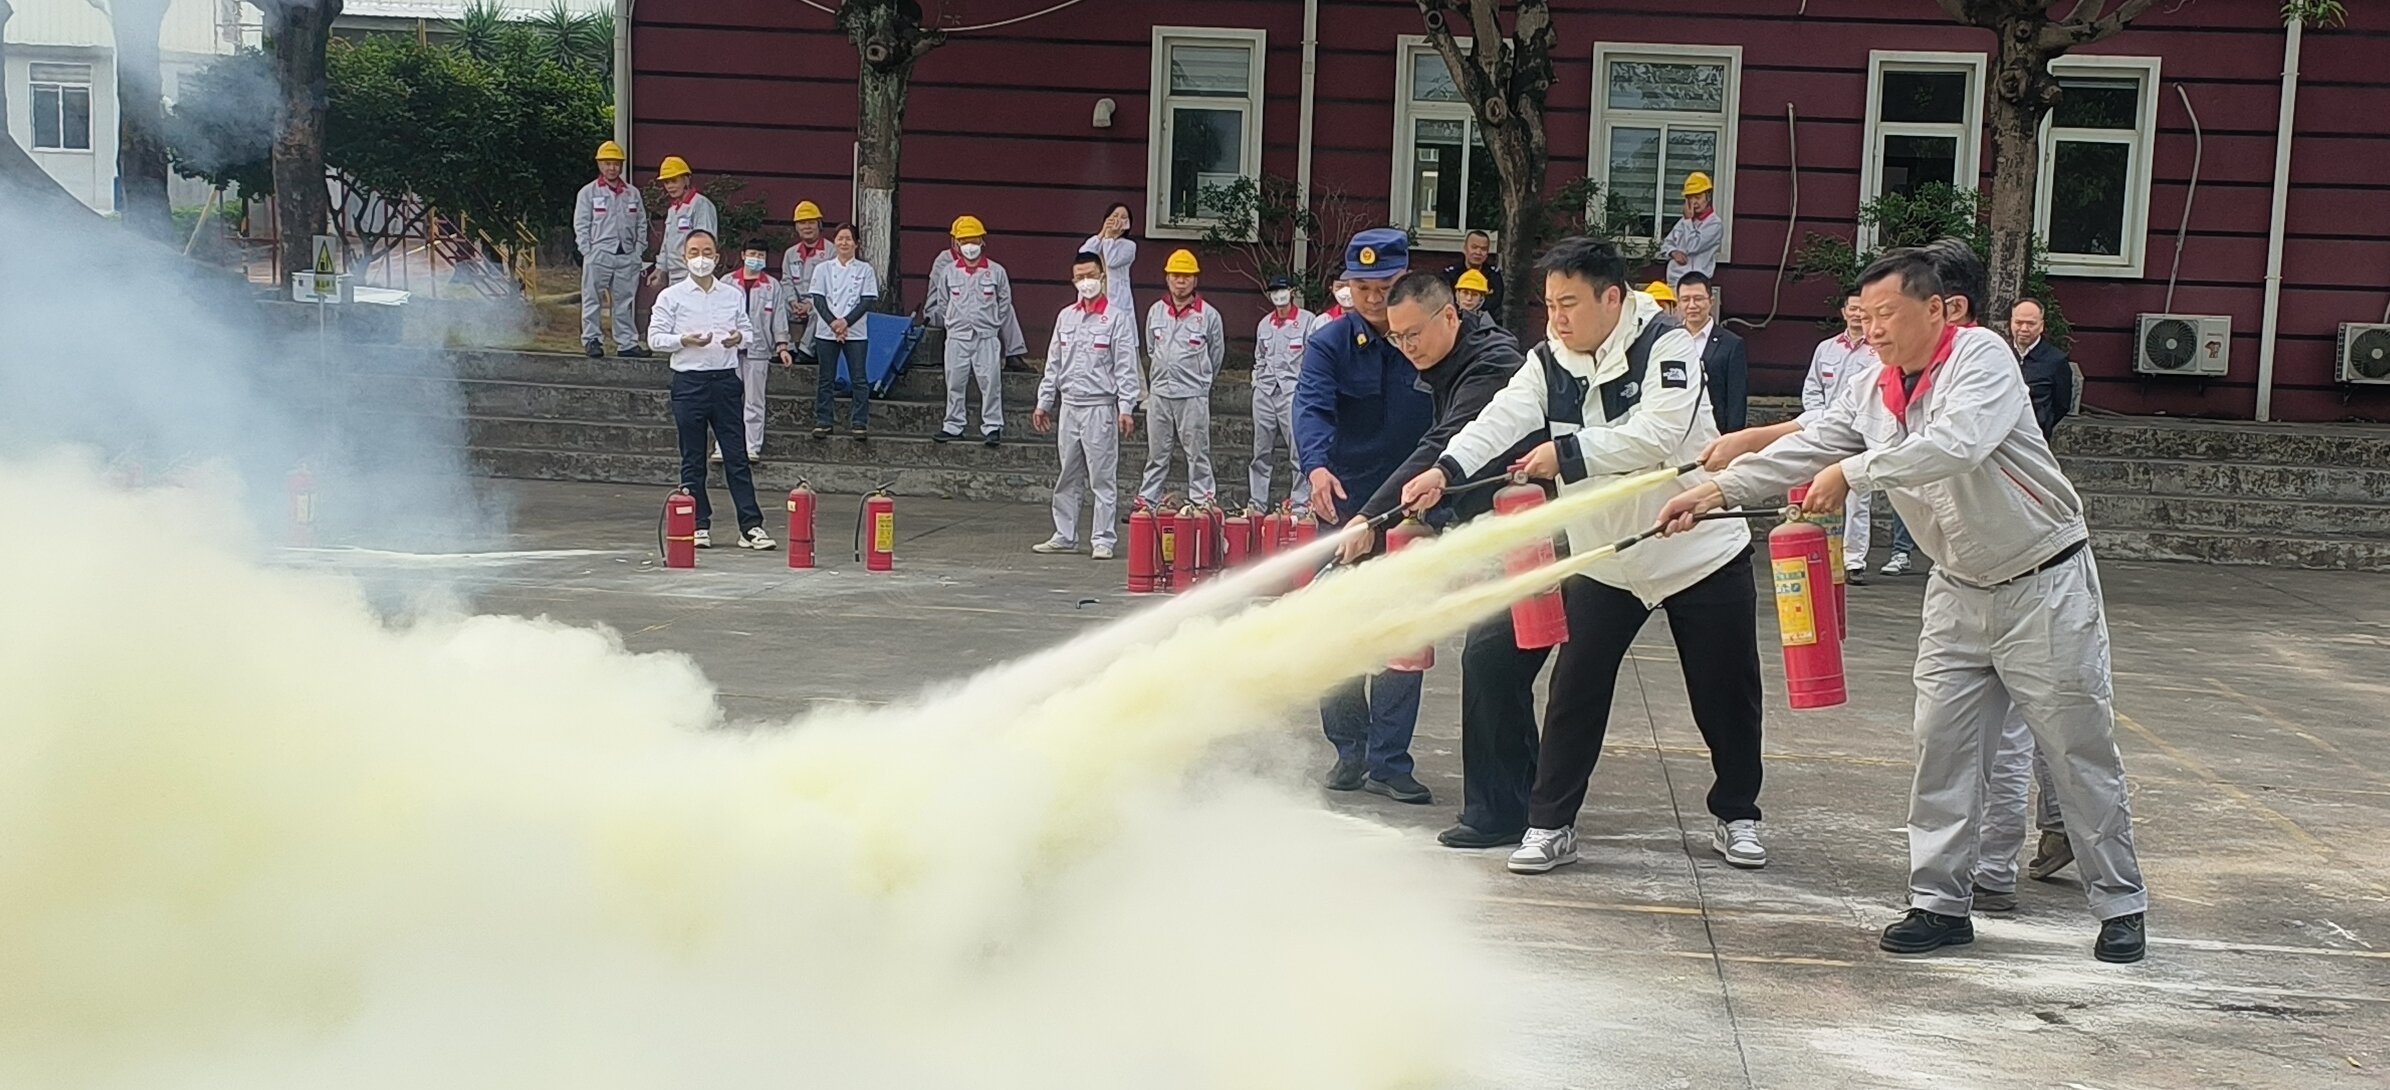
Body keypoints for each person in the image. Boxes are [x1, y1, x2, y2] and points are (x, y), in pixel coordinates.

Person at [1662, 246, 2149, 964]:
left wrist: (1854, 472)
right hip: (1957, 589)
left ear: (1938, 309)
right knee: (1941, 750)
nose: (1874, 330)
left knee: (2077, 749)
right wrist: (1717, 492)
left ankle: (2120, 903)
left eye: (1887, 314)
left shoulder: (1982, 359)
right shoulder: (1871, 384)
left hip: (2042, 582)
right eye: (1864, 318)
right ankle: (1940, 904)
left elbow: (1955, 445)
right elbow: (1813, 443)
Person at [1400, 236, 1768, 875]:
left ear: (1612, 298)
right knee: (1575, 692)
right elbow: (1501, 416)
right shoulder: (1548, 359)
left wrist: (1565, 455)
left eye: (1569, 304)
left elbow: (1659, 434)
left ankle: (1737, 815)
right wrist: (1446, 469)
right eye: (1550, 305)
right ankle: (1550, 824)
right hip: (1607, 554)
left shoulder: (1668, 346)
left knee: (1725, 694)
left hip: (1697, 547)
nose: (1557, 318)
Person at [1349, 273, 1546, 846]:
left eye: (1414, 334)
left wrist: (1371, 517)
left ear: (1450, 316)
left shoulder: (1491, 365)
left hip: (1539, 532)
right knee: (1501, 670)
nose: (1406, 347)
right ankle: (1532, 803)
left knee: (1491, 661)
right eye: (1396, 338)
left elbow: (1447, 444)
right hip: (1500, 530)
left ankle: (1501, 813)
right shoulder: (1451, 363)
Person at [1294, 228, 1435, 803]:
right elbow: (1311, 406)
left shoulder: (1429, 338)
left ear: (1406, 281)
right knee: (1337, 631)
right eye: (1362, 287)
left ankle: (1390, 761)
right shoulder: (1329, 343)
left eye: (1385, 286)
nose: (1374, 299)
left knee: (1404, 631)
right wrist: (1316, 468)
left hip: (1413, 507)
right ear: (1346, 287)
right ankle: (1348, 750)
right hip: (1345, 505)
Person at [645, 230, 775, 551]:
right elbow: (655, 338)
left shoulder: (731, 294)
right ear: (684, 257)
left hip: (725, 381)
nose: (700, 258)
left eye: (706, 252)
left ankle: (751, 526)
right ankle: (698, 523)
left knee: (736, 456)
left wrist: (739, 339)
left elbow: (748, 332)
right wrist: (683, 340)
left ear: (717, 257)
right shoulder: (671, 297)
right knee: (693, 458)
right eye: (694, 252)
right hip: (689, 382)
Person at [1032, 251, 1141, 560]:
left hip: (1100, 406)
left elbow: (1126, 367)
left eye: (1091, 275)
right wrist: (1044, 402)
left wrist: (1126, 408)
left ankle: (1103, 538)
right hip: (1070, 405)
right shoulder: (1066, 317)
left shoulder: (1116, 318)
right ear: (1073, 280)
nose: (1086, 282)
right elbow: (1053, 363)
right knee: (1067, 474)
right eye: (1080, 277)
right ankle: (1064, 535)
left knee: (1102, 477)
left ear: (1102, 276)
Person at [923, 214, 1027, 446]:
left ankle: (992, 426)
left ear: (982, 241)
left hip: (986, 336)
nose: (969, 245)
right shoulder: (949, 271)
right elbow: (943, 301)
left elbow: (1004, 303)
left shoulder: (996, 271)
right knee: (954, 382)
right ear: (956, 243)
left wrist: (992, 323)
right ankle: (953, 425)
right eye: (964, 240)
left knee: (991, 383)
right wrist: (954, 322)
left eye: (974, 239)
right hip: (957, 336)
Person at [1137, 249, 1226, 507]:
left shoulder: (1209, 315)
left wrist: (1201, 381)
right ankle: (1148, 499)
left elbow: (1216, 354)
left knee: (1198, 451)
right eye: (1176, 275)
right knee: (1156, 452)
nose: (1181, 281)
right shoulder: (1156, 311)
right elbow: (1151, 348)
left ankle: (1202, 499)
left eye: (1186, 276)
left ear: (1195, 280)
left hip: (1192, 394)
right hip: (1160, 393)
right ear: (1167, 278)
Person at [1805, 294, 1879, 582]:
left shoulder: (1877, 351)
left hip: (1862, 433)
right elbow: (1812, 387)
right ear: (1844, 312)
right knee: (1822, 496)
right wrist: (1819, 418)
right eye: (1853, 308)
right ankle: (1823, 554)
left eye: (1863, 309)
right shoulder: (1826, 348)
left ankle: (1854, 561)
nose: (1857, 314)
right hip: (1828, 432)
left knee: (1859, 499)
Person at [574, 140, 649, 358]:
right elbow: (581, 224)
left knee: (624, 301)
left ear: (621, 165)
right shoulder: (588, 193)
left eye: (616, 163)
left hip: (626, 254)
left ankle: (626, 343)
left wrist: (638, 251)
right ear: (600, 164)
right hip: (599, 253)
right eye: (607, 163)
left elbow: (641, 223)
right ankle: (592, 340)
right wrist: (587, 251)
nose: (612, 168)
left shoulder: (632, 193)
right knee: (592, 299)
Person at [1248, 275, 1315, 511]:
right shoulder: (1264, 324)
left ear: (1292, 291)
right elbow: (1259, 357)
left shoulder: (1307, 321)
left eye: (1282, 290)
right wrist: (1256, 382)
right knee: (1260, 451)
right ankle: (1257, 503)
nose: (1278, 295)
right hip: (1265, 391)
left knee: (1298, 450)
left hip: (1293, 392)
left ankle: (1300, 502)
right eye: (1274, 291)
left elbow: (1313, 358)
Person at [807, 223, 879, 440]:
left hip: (855, 332)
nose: (844, 243)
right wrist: (833, 323)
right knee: (825, 378)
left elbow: (867, 300)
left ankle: (859, 422)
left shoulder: (865, 270)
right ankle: (824, 421)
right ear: (835, 242)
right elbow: (818, 299)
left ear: (856, 243)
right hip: (826, 330)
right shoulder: (823, 269)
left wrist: (846, 322)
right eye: (840, 238)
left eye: (848, 239)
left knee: (859, 378)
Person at [728, 240, 795, 462]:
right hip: (728, 350)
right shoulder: (727, 282)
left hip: (759, 350)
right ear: (743, 255)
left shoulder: (772, 286)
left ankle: (752, 446)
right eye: (752, 253)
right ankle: (724, 445)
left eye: (760, 255)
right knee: (726, 400)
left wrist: (782, 347)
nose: (756, 258)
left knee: (754, 400)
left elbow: (779, 318)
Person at [1676, 272, 1747, 434]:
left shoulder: (1731, 344)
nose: (1692, 305)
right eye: (1685, 299)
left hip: (1714, 431)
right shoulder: (1668, 339)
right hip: (1676, 431)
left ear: (1711, 301)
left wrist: (1732, 437)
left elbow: (1736, 398)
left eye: (1698, 299)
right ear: (1678, 303)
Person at [2010, 299, 2073, 441]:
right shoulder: (1999, 354)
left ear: (2041, 326)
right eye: (2018, 322)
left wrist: (2043, 423)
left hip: (2034, 438)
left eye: (2031, 323)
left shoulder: (2056, 360)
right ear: (2011, 322)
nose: (2024, 328)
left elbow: (2062, 405)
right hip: (1998, 437)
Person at [650, 156, 717, 288]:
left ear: (686, 179)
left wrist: (700, 272)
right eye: (666, 182)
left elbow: (705, 241)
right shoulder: (673, 209)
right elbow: (666, 242)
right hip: (674, 275)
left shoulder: (701, 204)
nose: (670, 186)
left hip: (693, 273)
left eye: (674, 181)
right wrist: (660, 268)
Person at [781, 201, 832, 363]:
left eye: (811, 222)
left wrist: (810, 304)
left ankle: (806, 350)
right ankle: (786, 347)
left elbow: (832, 285)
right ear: (796, 227)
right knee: (776, 304)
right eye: (802, 223)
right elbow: (786, 281)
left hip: (818, 300)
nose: (807, 227)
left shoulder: (831, 251)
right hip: (796, 302)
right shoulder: (790, 253)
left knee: (821, 309)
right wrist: (792, 302)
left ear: (819, 225)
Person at [1661, 172, 1722, 288]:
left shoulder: (1714, 224)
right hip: (1674, 282)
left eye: (1698, 197)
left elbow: (1693, 246)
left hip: (1696, 282)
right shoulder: (1684, 221)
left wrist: (1688, 221)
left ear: (1708, 197)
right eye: (1689, 198)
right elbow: (1666, 244)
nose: (1694, 203)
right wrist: (1673, 252)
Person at [1083, 202, 1139, 329]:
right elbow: (1084, 255)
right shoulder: (1098, 242)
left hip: (1117, 298)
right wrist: (1102, 233)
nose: (1118, 220)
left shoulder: (1129, 245)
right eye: (1114, 216)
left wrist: (1109, 238)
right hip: (1095, 294)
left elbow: (1111, 261)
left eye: (1123, 217)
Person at [1441, 229, 1505, 314]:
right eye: (1474, 247)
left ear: (1487, 253)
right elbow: (1445, 301)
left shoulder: (1493, 276)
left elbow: (1495, 303)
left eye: (1483, 249)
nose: (1478, 252)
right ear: (1465, 249)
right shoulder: (1450, 274)